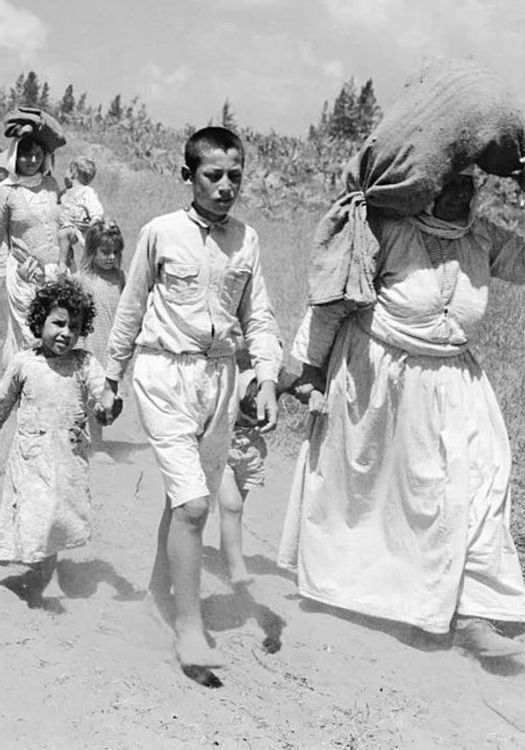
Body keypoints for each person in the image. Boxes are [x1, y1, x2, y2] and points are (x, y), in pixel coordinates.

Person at [279, 102, 525, 658]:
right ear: (426, 187)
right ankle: (361, 596)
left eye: (470, 184)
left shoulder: (482, 237)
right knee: (377, 497)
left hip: (456, 383)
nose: (463, 194)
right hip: (378, 379)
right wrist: (309, 371)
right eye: (450, 184)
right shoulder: (386, 229)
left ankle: (473, 611)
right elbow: (333, 300)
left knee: (481, 482)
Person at [105, 127, 281, 672]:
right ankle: (189, 626)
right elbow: (132, 305)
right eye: (213, 175)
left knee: (186, 501)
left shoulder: (246, 240)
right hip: (164, 373)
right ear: (188, 176)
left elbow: (258, 316)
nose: (226, 187)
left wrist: (268, 377)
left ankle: (160, 595)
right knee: (196, 506)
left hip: (221, 382)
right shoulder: (160, 233)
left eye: (235, 176)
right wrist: (111, 376)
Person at [0, 277, 115, 609]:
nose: (66, 332)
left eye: (74, 326)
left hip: (68, 459)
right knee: (32, 513)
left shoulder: (83, 363)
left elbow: (101, 396)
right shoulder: (24, 363)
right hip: (30, 457)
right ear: (40, 322)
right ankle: (26, 578)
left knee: (54, 522)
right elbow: (3, 404)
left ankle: (36, 583)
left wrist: (108, 406)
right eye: (58, 323)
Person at [0, 109, 67, 370]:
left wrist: (64, 260)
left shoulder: (51, 185)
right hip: (24, 274)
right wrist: (4, 275)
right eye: (26, 154)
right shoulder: (7, 192)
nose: (31, 160)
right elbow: (1, 238)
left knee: (59, 334)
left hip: (56, 272)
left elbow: (61, 224)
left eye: (37, 155)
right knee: (30, 339)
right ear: (16, 155)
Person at [218, 347, 286, 586]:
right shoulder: (223, 370)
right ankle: (236, 569)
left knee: (234, 511)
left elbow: (298, 385)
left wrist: (314, 393)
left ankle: (225, 556)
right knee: (231, 506)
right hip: (220, 444)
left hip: (250, 447)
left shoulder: (269, 375)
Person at [73, 219, 125, 442]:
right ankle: (95, 443)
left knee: (107, 392)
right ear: (92, 251)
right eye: (105, 252)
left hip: (112, 343)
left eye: (115, 252)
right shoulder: (82, 279)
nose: (111, 257)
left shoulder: (120, 278)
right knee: (91, 392)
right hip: (90, 343)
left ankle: (92, 437)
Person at [57, 156, 104, 272]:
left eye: (67, 170)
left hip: (73, 229)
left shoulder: (86, 192)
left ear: (72, 172)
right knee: (65, 248)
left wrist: (96, 218)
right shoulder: (64, 193)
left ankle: (62, 264)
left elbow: (94, 206)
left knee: (65, 235)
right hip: (60, 225)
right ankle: (71, 270)